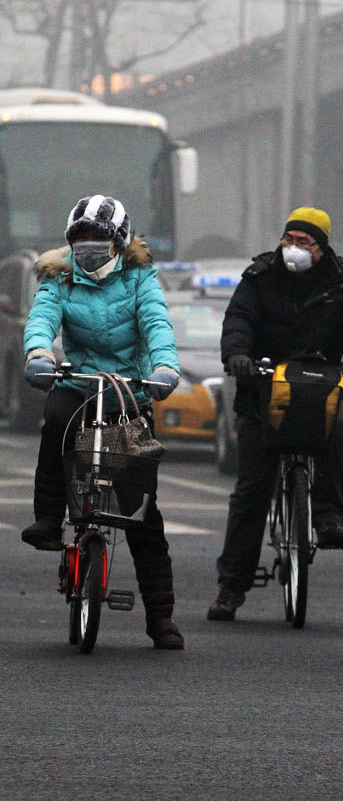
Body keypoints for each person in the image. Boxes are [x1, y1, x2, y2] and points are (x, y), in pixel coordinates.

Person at [22, 194, 184, 650]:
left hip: (129, 389)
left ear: (119, 242)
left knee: (143, 510)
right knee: (54, 421)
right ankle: (48, 520)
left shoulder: (141, 279)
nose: (89, 248)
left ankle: (161, 620)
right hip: (76, 384)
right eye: (81, 240)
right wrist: (38, 353)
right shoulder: (58, 278)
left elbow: (157, 326)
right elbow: (41, 321)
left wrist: (164, 370)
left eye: (99, 240)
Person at [207, 207, 343, 621]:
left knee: (335, 434)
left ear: (322, 248)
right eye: (290, 240)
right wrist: (238, 356)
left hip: (320, 386)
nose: (295, 249)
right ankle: (232, 586)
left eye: (304, 243)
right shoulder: (259, 277)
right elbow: (239, 320)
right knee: (252, 489)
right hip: (262, 390)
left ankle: (328, 518)